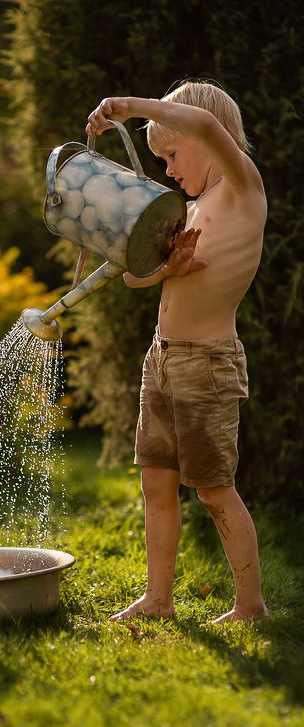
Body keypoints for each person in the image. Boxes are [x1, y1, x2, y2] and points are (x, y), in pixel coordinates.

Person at [86, 79, 268, 623]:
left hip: (207, 363)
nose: (167, 170)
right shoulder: (189, 210)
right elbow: (134, 278)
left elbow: (206, 124)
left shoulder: (242, 190)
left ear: (207, 141)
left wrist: (130, 107)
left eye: (171, 153)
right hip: (162, 358)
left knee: (213, 490)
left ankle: (250, 604)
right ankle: (158, 598)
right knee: (156, 482)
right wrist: (172, 267)